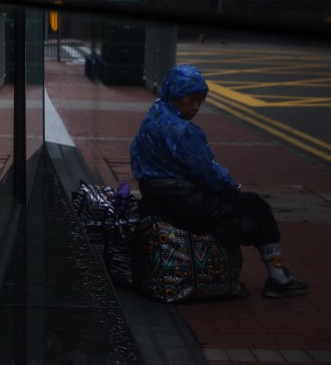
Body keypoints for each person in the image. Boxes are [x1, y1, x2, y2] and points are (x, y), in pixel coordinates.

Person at [130, 64, 308, 299]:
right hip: (184, 202)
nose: (195, 107)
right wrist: (231, 186)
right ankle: (277, 277)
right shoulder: (181, 130)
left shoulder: (152, 117)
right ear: (174, 93)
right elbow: (206, 171)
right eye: (190, 99)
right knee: (255, 206)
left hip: (158, 198)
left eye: (199, 101)